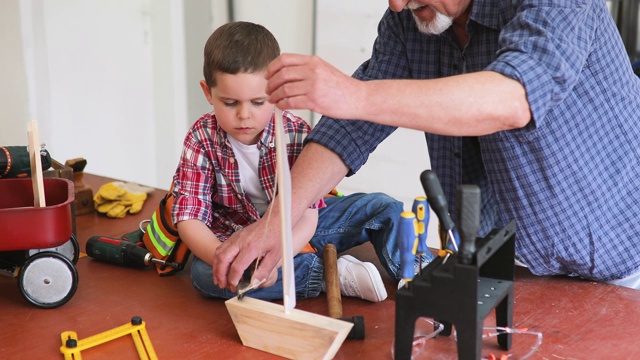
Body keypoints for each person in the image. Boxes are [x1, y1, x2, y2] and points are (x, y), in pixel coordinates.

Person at [212, 0, 640, 291]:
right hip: (508, 264)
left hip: (621, 261)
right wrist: (276, 221)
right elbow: (350, 129)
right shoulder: (410, 19)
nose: (397, 4)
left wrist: (355, 94)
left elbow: (515, 96)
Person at [172, 21, 417, 302]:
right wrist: (224, 257)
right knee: (205, 275)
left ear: (276, 93)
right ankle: (329, 274)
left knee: (384, 207)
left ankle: (413, 273)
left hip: (299, 228)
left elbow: (310, 215)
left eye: (258, 102)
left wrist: (277, 257)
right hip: (236, 234)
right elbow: (189, 217)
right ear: (208, 93)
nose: (244, 115)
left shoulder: (294, 132)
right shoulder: (201, 138)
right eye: (230, 103)